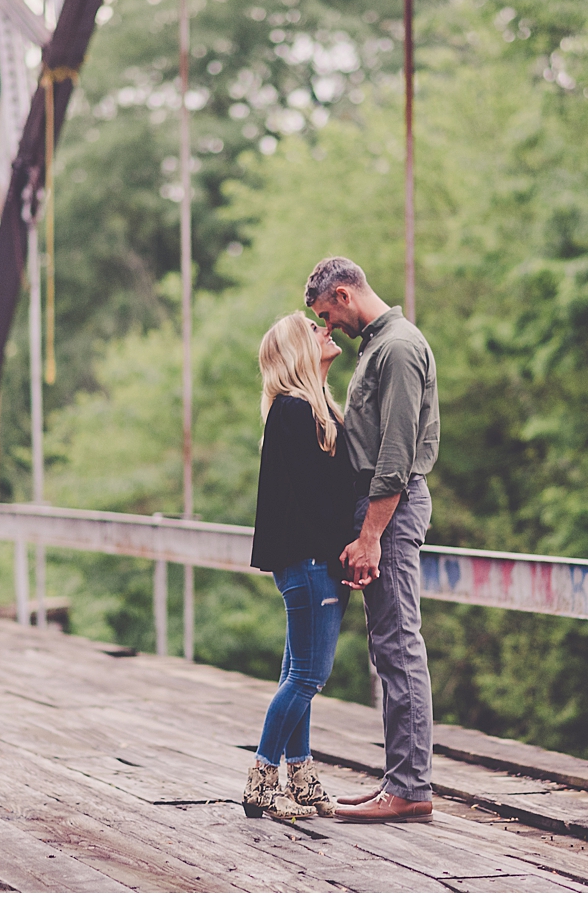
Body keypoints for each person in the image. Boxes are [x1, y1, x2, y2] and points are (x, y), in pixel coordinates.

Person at [305, 256, 440, 824]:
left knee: (399, 644)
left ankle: (410, 788)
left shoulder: (398, 347)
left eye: (326, 315)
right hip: (379, 508)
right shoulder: (376, 348)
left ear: (342, 293)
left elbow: (397, 454)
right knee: (386, 645)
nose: (327, 327)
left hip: (392, 508)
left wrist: (371, 535)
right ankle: (399, 780)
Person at [243, 312, 357, 820]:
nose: (324, 330)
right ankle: (262, 781)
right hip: (312, 561)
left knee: (297, 671)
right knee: (309, 676)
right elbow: (317, 501)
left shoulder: (307, 408)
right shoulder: (295, 412)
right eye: (313, 329)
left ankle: (302, 777)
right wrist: (349, 551)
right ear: (298, 351)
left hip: (307, 561)